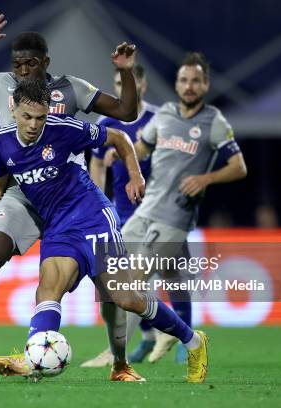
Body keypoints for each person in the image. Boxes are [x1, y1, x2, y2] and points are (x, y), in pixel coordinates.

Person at [0, 79, 209, 383]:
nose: (34, 125)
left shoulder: (65, 128)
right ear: (13, 109)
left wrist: (135, 175)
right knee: (48, 289)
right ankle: (34, 356)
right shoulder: (1, 142)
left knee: (125, 298)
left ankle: (193, 341)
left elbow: (120, 138)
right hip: (57, 227)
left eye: (40, 117)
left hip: (92, 217)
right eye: (27, 117)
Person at [0, 11, 139, 382]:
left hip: (71, 198)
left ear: (46, 63)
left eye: (31, 63)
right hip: (20, 192)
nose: (23, 70)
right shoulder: (0, 85)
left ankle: (120, 361)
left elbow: (125, 112)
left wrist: (125, 71)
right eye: (17, 64)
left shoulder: (71, 88)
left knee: (110, 289)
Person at [112, 52, 247, 364]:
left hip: (175, 216)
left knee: (136, 279)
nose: (189, 86)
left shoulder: (214, 121)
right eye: (184, 80)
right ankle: (183, 337)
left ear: (206, 85)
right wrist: (128, 160)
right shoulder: (165, 115)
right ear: (176, 84)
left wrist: (206, 178)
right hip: (145, 210)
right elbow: (143, 147)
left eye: (195, 81)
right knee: (156, 274)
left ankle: (119, 358)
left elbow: (239, 167)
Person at [81, 64, 167, 368]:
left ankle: (117, 352)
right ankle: (159, 331)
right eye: (117, 83)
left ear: (141, 86)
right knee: (119, 286)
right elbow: (98, 167)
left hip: (156, 214)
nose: (121, 88)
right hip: (120, 216)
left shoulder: (159, 120)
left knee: (130, 284)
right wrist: (96, 204)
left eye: (126, 82)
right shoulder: (107, 123)